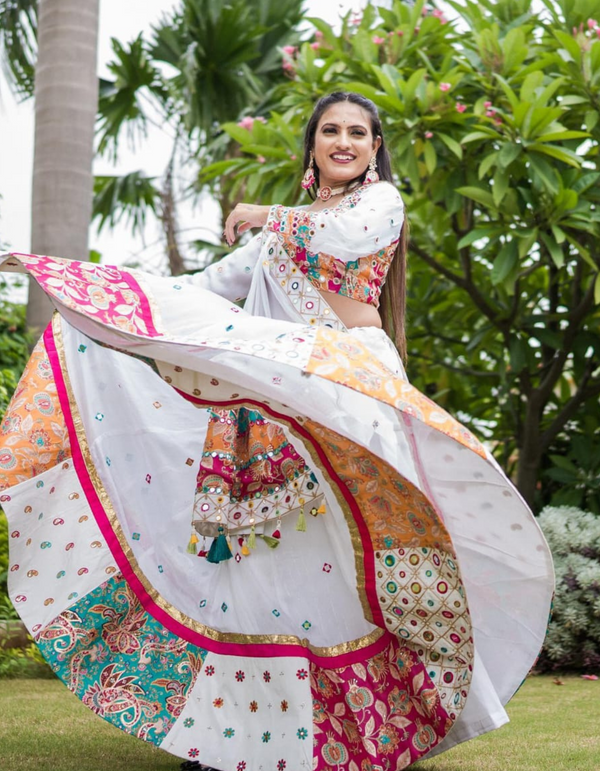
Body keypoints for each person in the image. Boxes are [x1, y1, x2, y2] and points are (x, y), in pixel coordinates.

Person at [0, 92, 553, 771]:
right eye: (331, 130)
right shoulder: (283, 233)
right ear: (312, 143)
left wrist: (266, 214)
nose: (345, 141)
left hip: (347, 390)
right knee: (264, 570)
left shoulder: (377, 208)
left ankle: (363, 728)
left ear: (376, 146)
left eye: (358, 132)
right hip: (269, 403)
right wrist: (86, 289)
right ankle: (232, 737)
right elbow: (204, 287)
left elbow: (339, 238)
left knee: (343, 571)